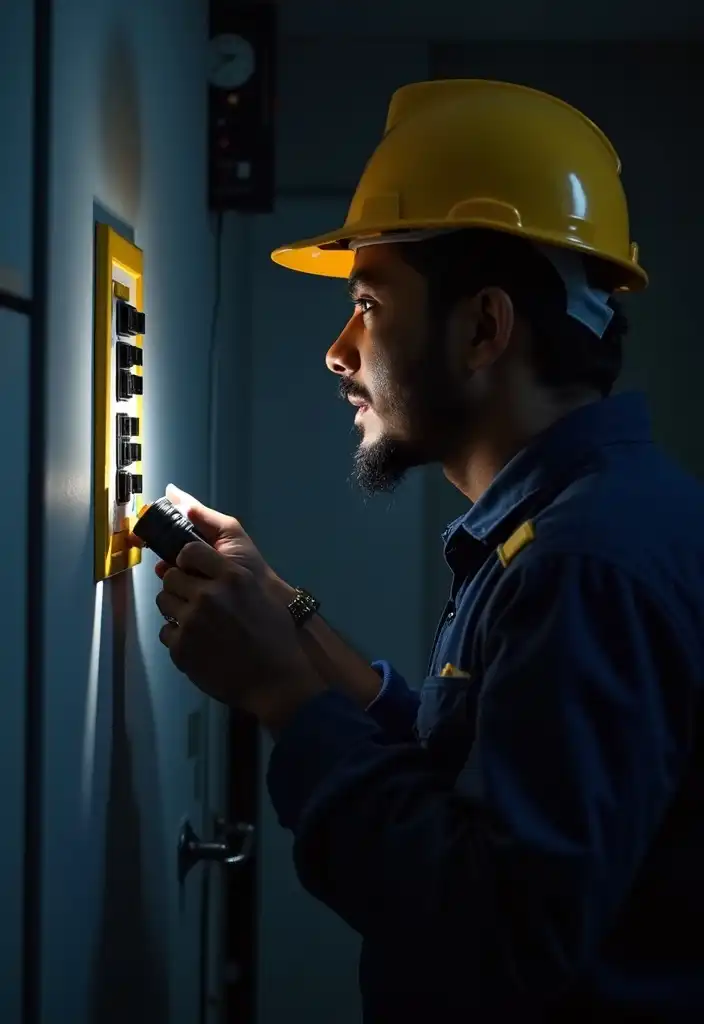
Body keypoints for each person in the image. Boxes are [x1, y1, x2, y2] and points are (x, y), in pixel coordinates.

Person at [153, 81, 704, 1021]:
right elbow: (464, 773)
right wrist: (288, 609)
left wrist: (282, 694)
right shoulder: (587, 520)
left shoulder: (581, 564)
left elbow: (495, 939)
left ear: (485, 327)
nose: (339, 349)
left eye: (368, 303)